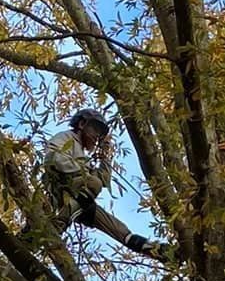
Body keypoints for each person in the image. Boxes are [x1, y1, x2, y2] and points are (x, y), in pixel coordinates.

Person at [42, 107, 170, 261]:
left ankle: (154, 250)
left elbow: (103, 180)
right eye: (95, 129)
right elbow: (52, 158)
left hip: (79, 200)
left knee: (118, 228)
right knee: (93, 183)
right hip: (61, 188)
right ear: (82, 124)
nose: (97, 136)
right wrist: (82, 172)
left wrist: (105, 156)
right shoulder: (67, 137)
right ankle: (61, 220)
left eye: (100, 134)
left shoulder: (83, 156)